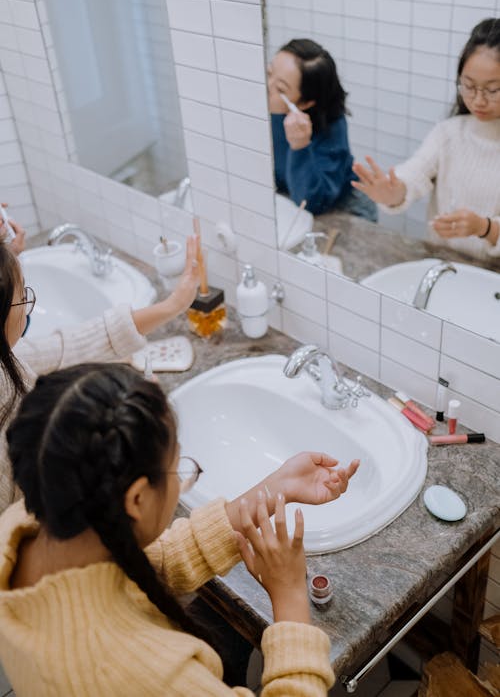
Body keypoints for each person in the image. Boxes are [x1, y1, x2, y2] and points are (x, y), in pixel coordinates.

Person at [0, 362, 359, 694]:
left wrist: (270, 489)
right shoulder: (144, 674)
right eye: (177, 470)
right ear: (137, 498)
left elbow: (140, 568)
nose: (181, 482)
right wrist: (290, 597)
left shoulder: (27, 524)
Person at [0, 235, 200, 513]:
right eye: (23, 298)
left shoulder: (5, 363)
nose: (27, 309)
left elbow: (64, 347)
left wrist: (173, 305)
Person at [352, 17, 500, 262]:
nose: (478, 100)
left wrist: (485, 228)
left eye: (493, 90)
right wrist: (394, 192)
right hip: (440, 266)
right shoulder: (449, 133)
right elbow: (414, 173)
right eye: (469, 86)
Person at [267, 38, 378, 221]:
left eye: (280, 88)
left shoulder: (331, 128)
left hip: (341, 208)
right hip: (289, 200)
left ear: (304, 103)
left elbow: (312, 203)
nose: (266, 86)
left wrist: (300, 146)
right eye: (268, 73)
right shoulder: (270, 106)